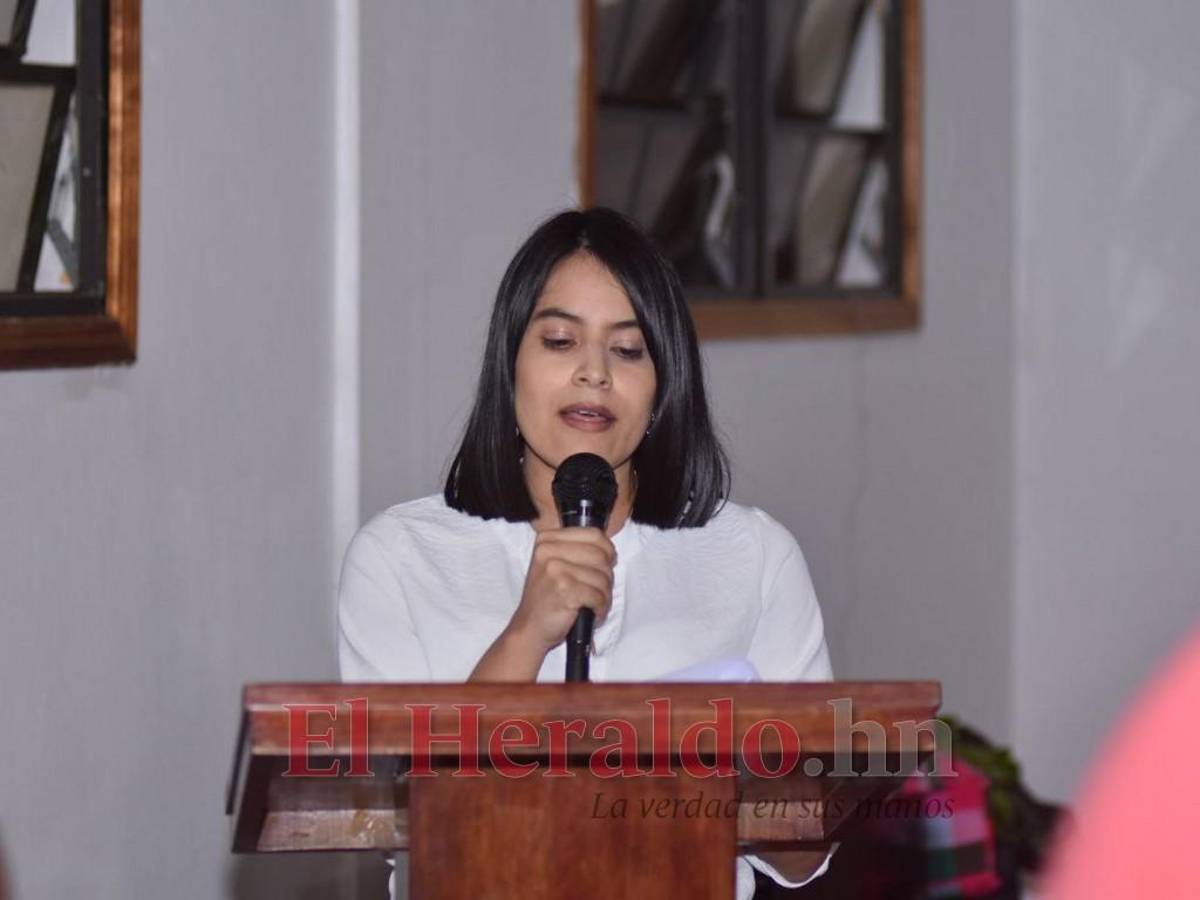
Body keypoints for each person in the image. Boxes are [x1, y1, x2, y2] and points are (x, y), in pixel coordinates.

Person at [338, 207, 834, 899]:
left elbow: (804, 857)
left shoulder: (754, 556)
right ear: (509, 364)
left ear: (664, 386)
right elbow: (411, 827)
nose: (593, 374)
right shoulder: (400, 557)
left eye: (628, 350)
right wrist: (525, 633)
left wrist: (744, 774)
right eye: (561, 340)